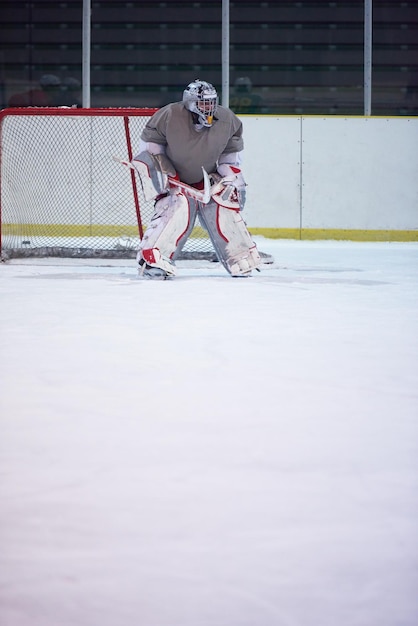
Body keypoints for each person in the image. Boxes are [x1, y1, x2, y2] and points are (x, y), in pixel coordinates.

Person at [131, 79, 261, 279]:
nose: (208, 107)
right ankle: (153, 260)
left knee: (223, 204)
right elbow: (152, 150)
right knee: (177, 207)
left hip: (206, 178)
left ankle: (240, 256)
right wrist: (166, 175)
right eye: (202, 102)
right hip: (175, 177)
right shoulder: (169, 115)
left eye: (211, 102)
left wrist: (231, 179)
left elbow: (229, 158)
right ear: (190, 102)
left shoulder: (228, 120)